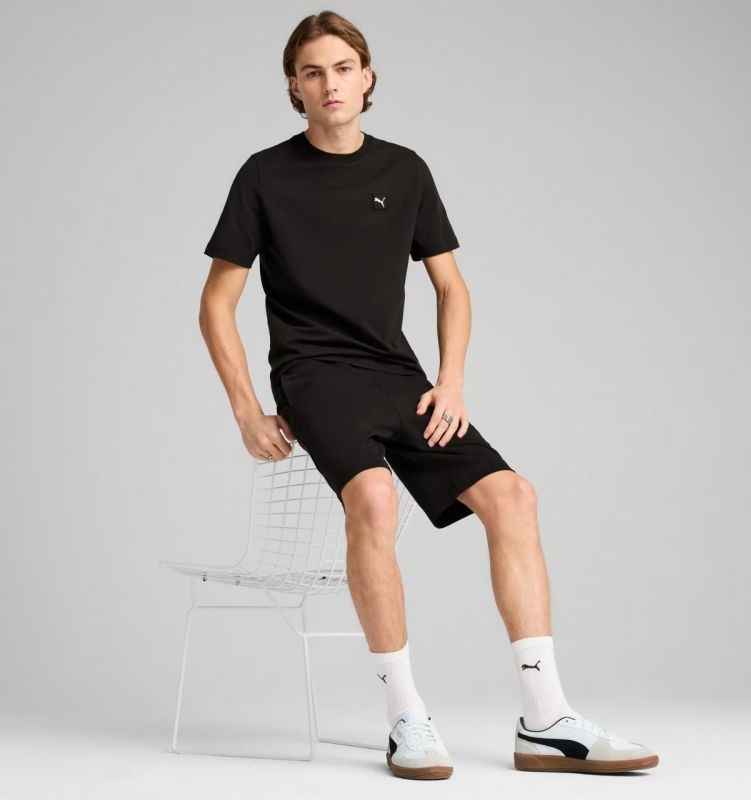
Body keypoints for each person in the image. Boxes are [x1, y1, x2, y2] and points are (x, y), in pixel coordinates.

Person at [199, 10, 659, 780]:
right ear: (294, 88)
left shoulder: (405, 170)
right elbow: (217, 301)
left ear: (367, 78)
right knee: (375, 501)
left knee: (513, 497)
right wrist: (246, 408)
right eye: (313, 72)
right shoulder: (264, 176)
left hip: (398, 375)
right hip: (314, 375)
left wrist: (451, 382)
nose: (330, 84)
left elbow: (452, 286)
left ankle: (546, 720)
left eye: (343, 68)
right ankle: (406, 717)